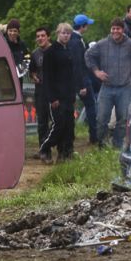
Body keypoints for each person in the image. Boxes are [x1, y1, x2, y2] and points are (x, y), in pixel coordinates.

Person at [85, 17, 131, 149]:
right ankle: (102, 145)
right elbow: (88, 55)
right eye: (113, 29)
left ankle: (116, 146)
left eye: (118, 29)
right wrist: (96, 71)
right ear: (111, 30)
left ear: (123, 30)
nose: (115, 31)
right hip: (107, 87)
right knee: (101, 119)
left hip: (124, 87)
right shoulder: (103, 44)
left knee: (122, 120)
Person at [39, 23, 78, 162]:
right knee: (58, 125)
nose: (66, 35)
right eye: (63, 33)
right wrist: (52, 98)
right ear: (57, 34)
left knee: (69, 126)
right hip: (56, 97)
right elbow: (47, 78)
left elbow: (72, 75)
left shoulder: (69, 51)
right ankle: (44, 147)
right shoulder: (50, 52)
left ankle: (65, 153)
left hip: (68, 96)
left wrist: (74, 94)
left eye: (68, 33)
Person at [69, 14, 98, 145]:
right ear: (83, 26)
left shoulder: (75, 39)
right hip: (82, 79)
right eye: (87, 25)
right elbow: (77, 64)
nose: (88, 27)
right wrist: (81, 85)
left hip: (79, 78)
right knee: (91, 107)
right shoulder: (76, 41)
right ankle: (94, 136)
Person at [29, 27, 52, 160]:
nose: (40, 38)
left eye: (43, 36)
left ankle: (63, 150)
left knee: (56, 121)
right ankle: (44, 150)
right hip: (41, 90)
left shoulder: (55, 50)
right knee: (42, 122)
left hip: (55, 90)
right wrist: (34, 76)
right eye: (38, 36)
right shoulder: (35, 54)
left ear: (48, 37)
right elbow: (32, 71)